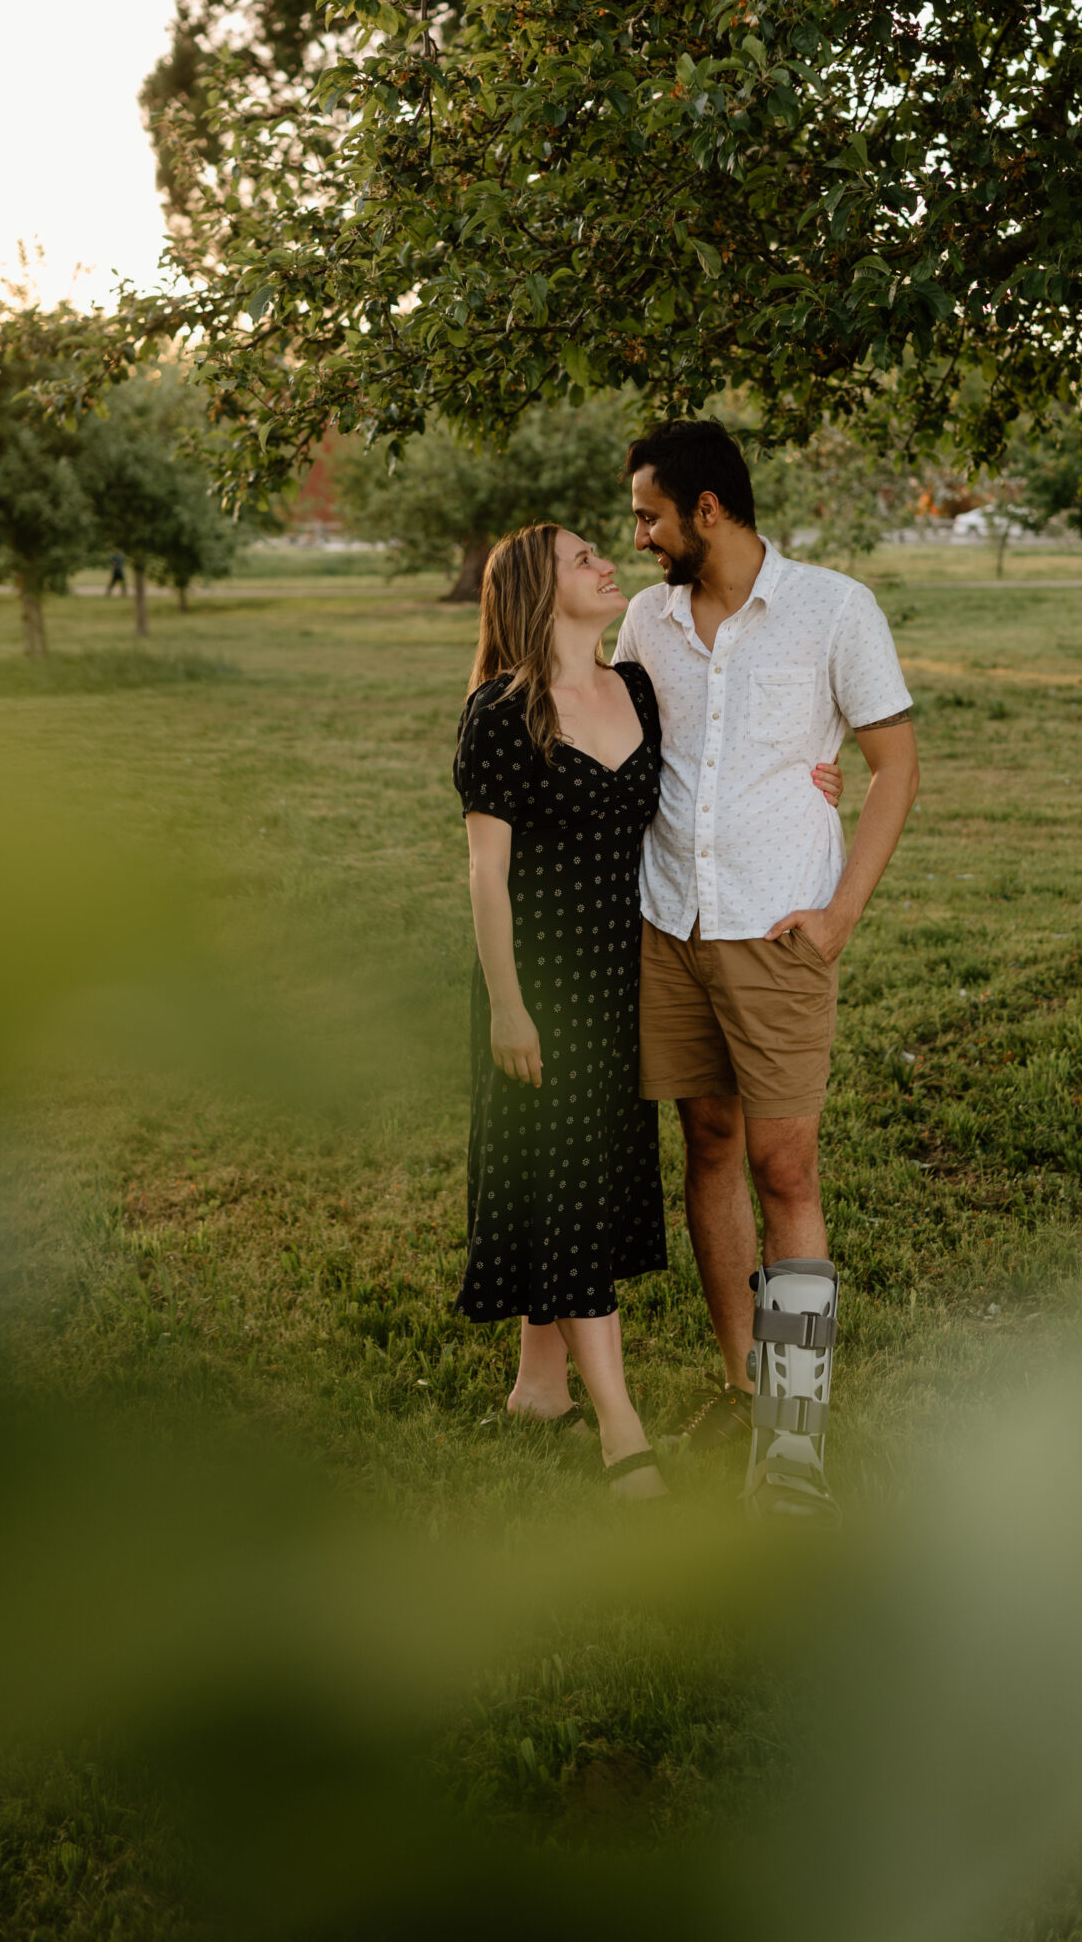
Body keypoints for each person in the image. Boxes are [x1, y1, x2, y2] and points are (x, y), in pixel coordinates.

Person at [452, 522, 844, 1504]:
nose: (604, 564)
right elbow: (484, 875)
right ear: (542, 590)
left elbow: (711, 770)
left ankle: (540, 1387)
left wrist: (805, 779)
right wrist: (507, 1005)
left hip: (629, 975)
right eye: (583, 557)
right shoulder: (500, 712)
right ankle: (620, 1430)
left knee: (571, 1174)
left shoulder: (632, 686)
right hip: (540, 986)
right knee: (572, 1181)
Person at [613, 421, 920, 1521]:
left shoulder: (833, 608)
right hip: (669, 925)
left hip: (779, 935)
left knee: (785, 1172)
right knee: (707, 1145)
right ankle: (744, 1384)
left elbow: (893, 768)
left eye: (648, 514)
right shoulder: (643, 621)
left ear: (706, 509)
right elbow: (615, 739)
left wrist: (838, 916)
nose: (637, 536)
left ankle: (795, 1436)